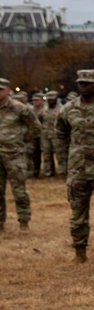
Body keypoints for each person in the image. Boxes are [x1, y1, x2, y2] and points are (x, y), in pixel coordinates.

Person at [56, 70, 94, 262]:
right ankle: (80, 251)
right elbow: (60, 135)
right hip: (78, 170)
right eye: (81, 83)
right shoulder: (68, 109)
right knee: (77, 214)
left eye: (88, 83)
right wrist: (63, 163)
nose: (83, 86)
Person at [0, 78, 41, 232]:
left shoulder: (19, 108)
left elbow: (36, 127)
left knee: (19, 191)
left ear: (8, 91)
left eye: (1, 89)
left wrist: (21, 140)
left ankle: (24, 222)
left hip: (14, 155)